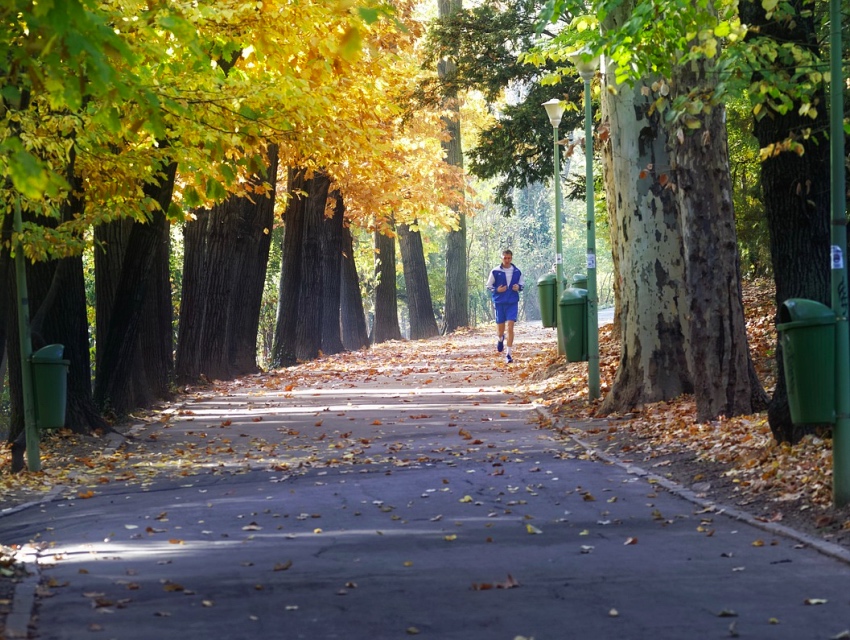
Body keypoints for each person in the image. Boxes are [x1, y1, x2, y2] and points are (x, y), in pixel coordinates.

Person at [486, 249, 524, 363]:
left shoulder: (517, 271)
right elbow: (488, 286)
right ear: (501, 258)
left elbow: (522, 284)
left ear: (511, 258)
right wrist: (497, 289)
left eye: (509, 258)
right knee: (500, 330)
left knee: (510, 327)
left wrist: (518, 287)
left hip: (512, 302)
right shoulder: (495, 271)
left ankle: (508, 354)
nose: (507, 260)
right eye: (505, 258)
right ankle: (500, 338)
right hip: (500, 302)